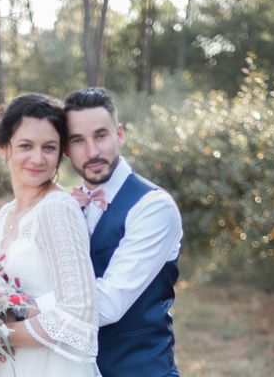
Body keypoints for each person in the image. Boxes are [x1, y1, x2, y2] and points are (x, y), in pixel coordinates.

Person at [36, 87, 183, 377]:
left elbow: (107, 305)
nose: (91, 152)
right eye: (78, 140)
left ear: (119, 134)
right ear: (66, 149)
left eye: (100, 136)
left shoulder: (153, 207)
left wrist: (20, 310)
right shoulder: (63, 206)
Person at [0, 93, 99, 377]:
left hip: (50, 366)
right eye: (25, 146)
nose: (37, 158)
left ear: (61, 153)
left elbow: (79, 313)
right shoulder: (5, 214)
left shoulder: (56, 209)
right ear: (3, 147)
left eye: (49, 147)